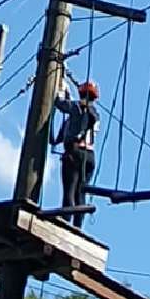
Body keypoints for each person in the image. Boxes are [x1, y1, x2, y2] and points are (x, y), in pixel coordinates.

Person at [54, 76, 100, 228]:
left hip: (75, 152)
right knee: (81, 193)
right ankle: (78, 227)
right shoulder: (95, 114)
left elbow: (60, 104)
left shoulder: (77, 107)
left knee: (70, 190)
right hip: (90, 156)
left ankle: (64, 223)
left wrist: (59, 90)